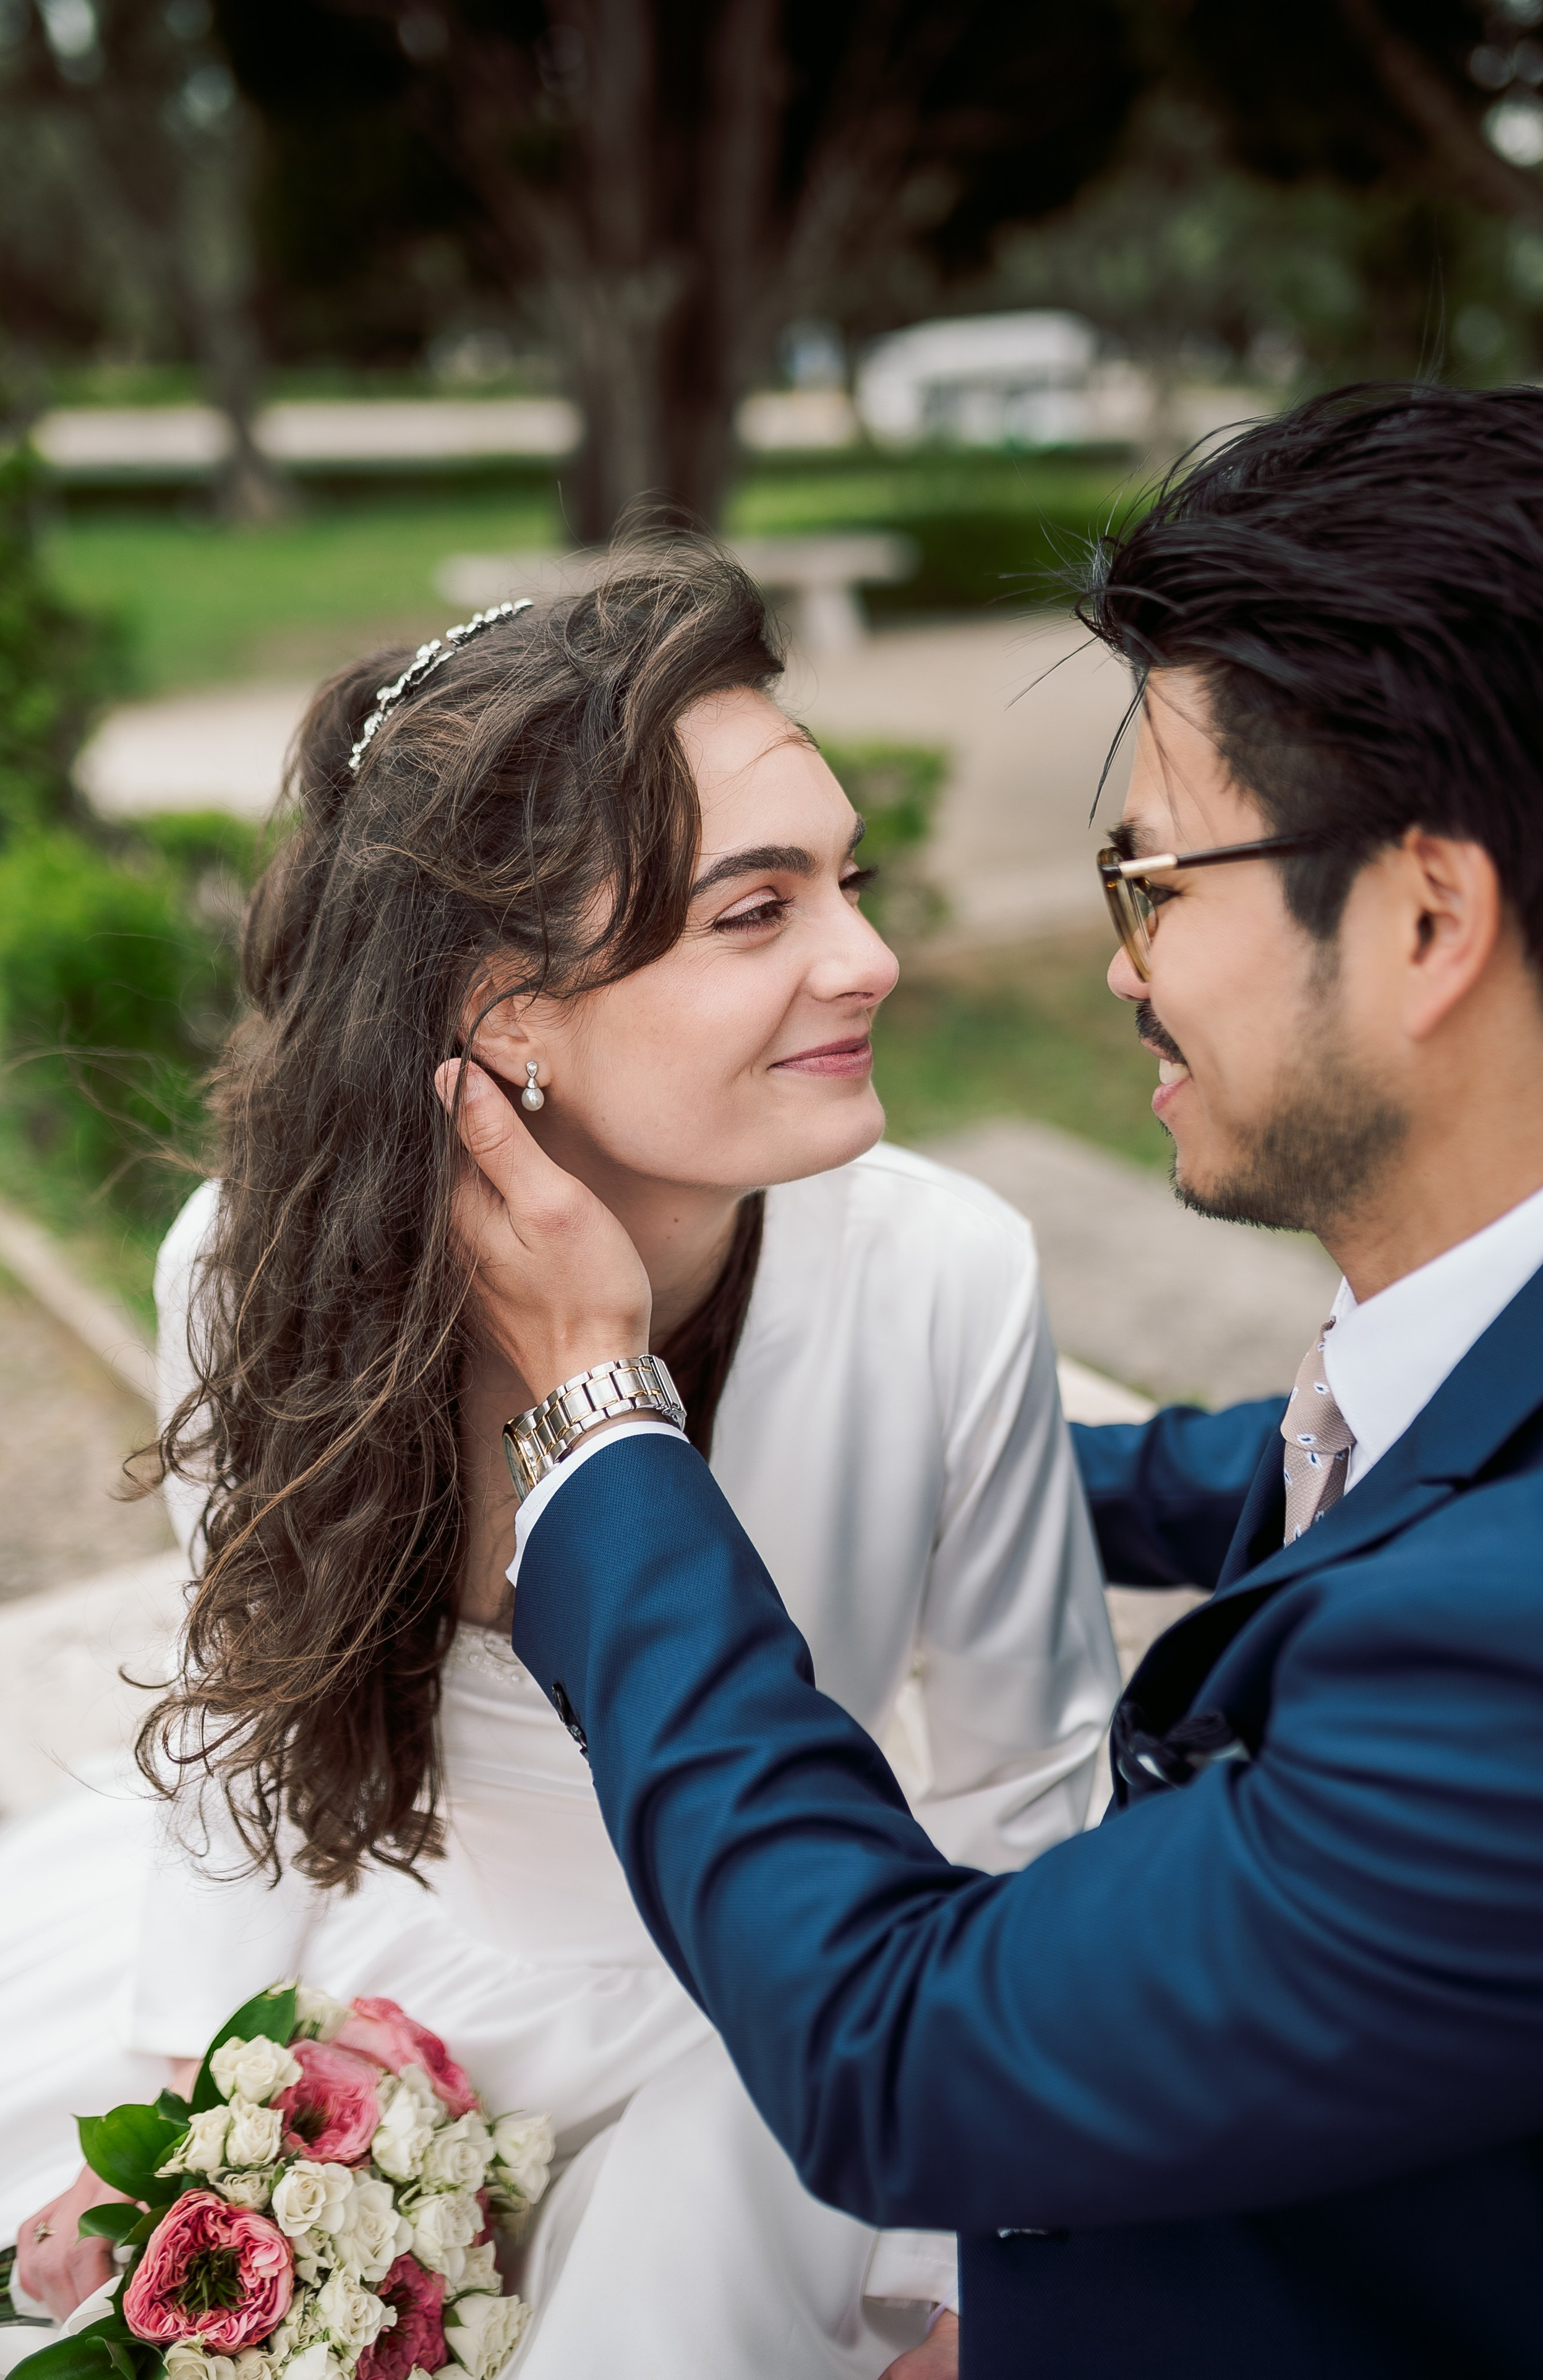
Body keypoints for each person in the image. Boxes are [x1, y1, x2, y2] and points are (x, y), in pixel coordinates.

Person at [446, 385, 1543, 2380]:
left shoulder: (1531, 1655)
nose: (1120, 968)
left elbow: (897, 2051)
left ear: (1429, 915)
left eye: (1157, 882)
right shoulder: (1509, 1372)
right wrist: (896, 1427)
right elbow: (1323, 1470)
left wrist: (598, 1422)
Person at [3, 543, 1121, 2378]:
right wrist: (197, 2103)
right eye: (755, 913)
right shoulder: (248, 1269)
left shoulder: (946, 1276)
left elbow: (1029, 1802)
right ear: (505, 1006)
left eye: (848, 882)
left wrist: (982, 2263)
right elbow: (246, 1723)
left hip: (772, 2054)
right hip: (391, 1994)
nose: (869, 959)